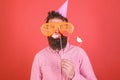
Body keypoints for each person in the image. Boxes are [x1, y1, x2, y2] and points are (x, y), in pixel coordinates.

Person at [30, 11, 97, 80]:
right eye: (51, 27)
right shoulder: (39, 57)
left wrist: (74, 75)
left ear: (66, 29)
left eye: (61, 27)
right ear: (47, 30)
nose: (56, 31)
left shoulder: (79, 53)